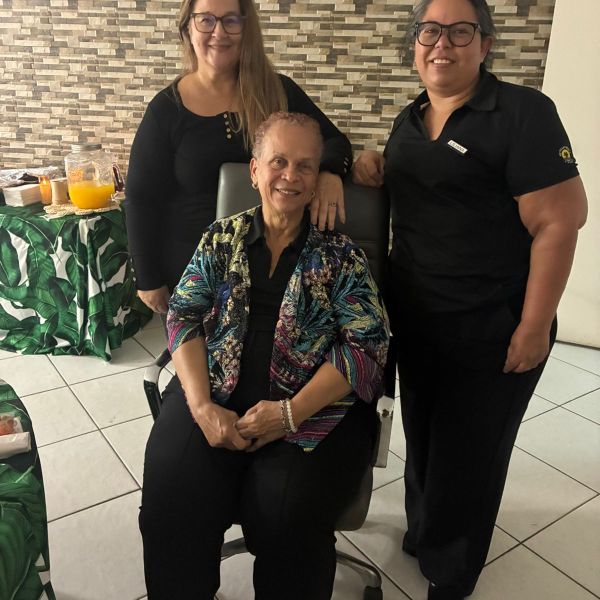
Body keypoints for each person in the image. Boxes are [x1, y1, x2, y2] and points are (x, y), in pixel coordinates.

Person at [352, 1, 588, 599]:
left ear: (485, 45)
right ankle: (427, 531)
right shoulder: (410, 121)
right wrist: (371, 164)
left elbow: (560, 222)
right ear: (414, 45)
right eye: (430, 31)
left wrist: (534, 326)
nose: (442, 45)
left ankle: (451, 572)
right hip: (417, 320)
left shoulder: (522, 113)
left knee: (470, 455)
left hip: (493, 324)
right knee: (424, 436)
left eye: (461, 32)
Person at [139, 112, 389, 600]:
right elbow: (183, 317)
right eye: (278, 162)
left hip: (311, 411)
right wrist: (201, 407)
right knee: (173, 497)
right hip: (213, 393)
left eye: (304, 166)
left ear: (318, 178)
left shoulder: (340, 256)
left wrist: (288, 414)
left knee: (285, 513)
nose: (290, 176)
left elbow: (367, 346)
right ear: (254, 171)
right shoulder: (220, 238)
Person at [125, 0, 352, 316]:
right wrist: (147, 277)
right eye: (206, 20)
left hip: (275, 272)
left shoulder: (278, 91)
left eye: (231, 20)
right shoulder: (166, 110)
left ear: (247, 29)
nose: (219, 32)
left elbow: (334, 141)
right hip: (195, 274)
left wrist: (328, 173)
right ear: (187, 28)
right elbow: (140, 198)